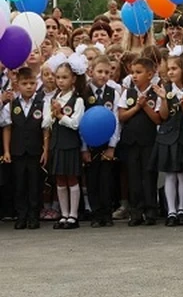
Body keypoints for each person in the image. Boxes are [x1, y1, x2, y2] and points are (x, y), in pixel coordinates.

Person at [118, 57, 166, 227]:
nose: (135, 76)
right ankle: (136, 212)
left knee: (148, 176)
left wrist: (145, 107)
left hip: (148, 141)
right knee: (134, 177)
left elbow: (158, 119)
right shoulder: (128, 92)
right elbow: (122, 115)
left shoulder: (156, 92)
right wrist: (137, 107)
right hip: (131, 142)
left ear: (150, 74)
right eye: (132, 73)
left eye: (139, 72)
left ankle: (151, 211)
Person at [42, 54, 88, 230]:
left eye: (64, 77)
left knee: (72, 179)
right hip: (57, 144)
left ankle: (73, 215)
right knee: (60, 180)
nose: (60, 81)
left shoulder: (78, 100)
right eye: (58, 77)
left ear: (73, 79)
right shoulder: (53, 99)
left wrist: (61, 115)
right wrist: (52, 113)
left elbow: (76, 124)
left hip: (70, 145)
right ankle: (64, 213)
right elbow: (45, 123)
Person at [1, 68, 47, 229]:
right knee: (19, 184)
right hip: (18, 151)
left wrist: (45, 150)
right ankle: (21, 215)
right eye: (24, 83)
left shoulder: (41, 103)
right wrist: (6, 151)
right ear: (17, 85)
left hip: (35, 151)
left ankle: (33, 216)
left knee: (34, 184)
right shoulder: (12, 104)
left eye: (32, 83)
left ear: (37, 84)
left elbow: (45, 129)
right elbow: (7, 127)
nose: (29, 87)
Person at [82, 55, 120, 227]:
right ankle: (96, 214)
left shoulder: (113, 93)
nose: (103, 75)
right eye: (99, 71)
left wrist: (112, 146)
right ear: (91, 72)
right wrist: (83, 148)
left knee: (106, 180)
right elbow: (82, 121)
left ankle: (107, 213)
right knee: (92, 180)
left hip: (106, 144)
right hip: (89, 144)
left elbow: (116, 120)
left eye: (107, 72)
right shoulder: (83, 93)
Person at [157, 51, 183, 226]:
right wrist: (163, 99)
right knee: (170, 174)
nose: (170, 72)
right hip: (168, 135)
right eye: (168, 69)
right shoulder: (166, 89)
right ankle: (171, 210)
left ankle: (182, 209)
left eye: (174, 68)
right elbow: (162, 116)